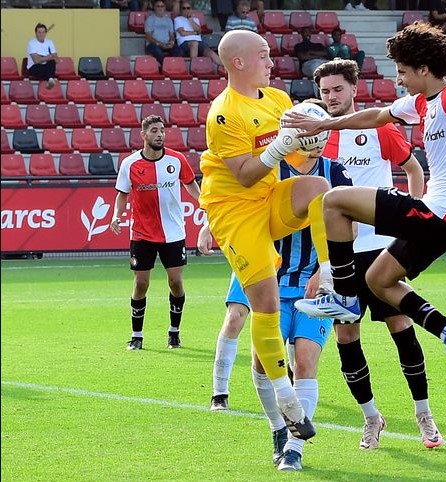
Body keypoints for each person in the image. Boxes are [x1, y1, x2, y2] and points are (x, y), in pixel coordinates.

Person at [284, 21, 446, 386]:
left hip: (440, 214)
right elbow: (374, 116)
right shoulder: (421, 102)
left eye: (402, 71)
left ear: (423, 69)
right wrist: (323, 126)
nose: (398, 79)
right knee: (379, 279)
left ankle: (341, 294)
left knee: (334, 202)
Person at [198, 29, 333, 441]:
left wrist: (313, 141)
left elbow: (296, 157)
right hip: (234, 210)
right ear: (237, 63)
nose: (272, 63)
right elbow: (243, 175)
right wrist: (280, 146)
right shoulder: (223, 113)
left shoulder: (277, 100)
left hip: (269, 196)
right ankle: (284, 402)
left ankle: (327, 273)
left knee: (320, 190)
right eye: (263, 56)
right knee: (266, 304)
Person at [313, 58, 444, 450]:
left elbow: (415, 171)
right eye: (324, 91)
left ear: (354, 89)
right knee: (347, 337)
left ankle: (424, 414)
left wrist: (412, 229)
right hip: (339, 258)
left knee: (401, 330)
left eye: (337, 89)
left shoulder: (379, 128)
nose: (330, 97)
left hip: (381, 252)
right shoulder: (316, 138)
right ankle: (372, 419)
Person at [202, 135, 351, 471]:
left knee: (306, 361)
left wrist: (323, 271)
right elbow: (234, 202)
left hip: (315, 288)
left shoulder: (335, 173)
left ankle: (295, 449)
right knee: (262, 364)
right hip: (271, 281)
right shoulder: (269, 171)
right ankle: (277, 430)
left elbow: (347, 223)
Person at [109, 115, 201, 351]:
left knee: (176, 282)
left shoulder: (177, 159)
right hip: (141, 233)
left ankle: (174, 332)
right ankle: (137, 335)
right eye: (154, 131)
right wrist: (116, 216)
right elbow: (122, 194)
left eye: (162, 130)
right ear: (144, 135)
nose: (160, 134)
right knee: (140, 284)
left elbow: (190, 183)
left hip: (173, 232)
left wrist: (204, 202)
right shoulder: (130, 164)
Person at [144, 0, 183, 66]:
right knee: (158, 52)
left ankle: (171, 66)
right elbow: (148, 36)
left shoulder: (168, 20)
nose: (160, 8)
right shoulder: (149, 19)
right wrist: (160, 44)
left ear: (165, 8)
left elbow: (172, 35)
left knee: (179, 51)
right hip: (154, 44)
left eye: (162, 6)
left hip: (166, 43)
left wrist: (172, 42)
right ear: (154, 8)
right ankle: (167, 67)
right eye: (158, 6)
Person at [27, 23, 57, 90]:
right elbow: (36, 61)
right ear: (36, 33)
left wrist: (41, 57)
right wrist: (48, 57)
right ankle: (50, 79)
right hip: (34, 67)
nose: (41, 34)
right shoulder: (31, 43)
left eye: (43, 32)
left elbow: (56, 59)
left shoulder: (50, 42)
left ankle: (50, 80)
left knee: (51, 62)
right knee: (49, 68)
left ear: (46, 33)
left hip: (46, 66)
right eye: (39, 32)